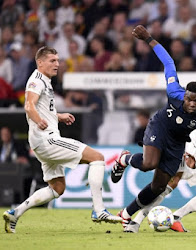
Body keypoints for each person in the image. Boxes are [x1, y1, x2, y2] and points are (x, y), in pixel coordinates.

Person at [3, 46, 122, 234]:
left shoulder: (45, 81)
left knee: (57, 188)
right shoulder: (36, 81)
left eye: (58, 60)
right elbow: (29, 105)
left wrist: (57, 116)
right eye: (52, 61)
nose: (57, 64)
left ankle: (15, 213)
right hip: (47, 140)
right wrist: (39, 120)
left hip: (42, 142)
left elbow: (40, 107)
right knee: (97, 157)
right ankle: (99, 210)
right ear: (40, 62)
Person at [111, 25, 196, 230]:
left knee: (158, 186)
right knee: (149, 163)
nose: (192, 104)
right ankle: (124, 159)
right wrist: (149, 38)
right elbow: (169, 62)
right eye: (189, 99)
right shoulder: (173, 91)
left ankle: (126, 214)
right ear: (184, 95)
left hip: (177, 142)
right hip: (159, 127)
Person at [124, 68, 196, 233]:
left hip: (190, 149)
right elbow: (190, 99)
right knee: (165, 183)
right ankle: (136, 220)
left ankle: (170, 218)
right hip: (182, 147)